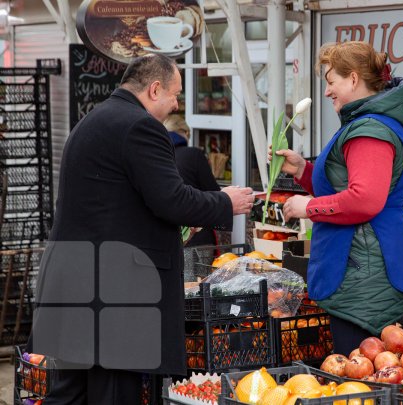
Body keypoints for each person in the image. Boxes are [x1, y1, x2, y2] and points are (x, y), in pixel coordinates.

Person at [31, 54, 254, 404]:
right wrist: (225, 202)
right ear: (154, 89)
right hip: (114, 296)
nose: (177, 104)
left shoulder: (95, 119)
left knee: (70, 395)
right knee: (114, 394)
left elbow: (117, 203)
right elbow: (172, 199)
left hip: (77, 286)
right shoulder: (140, 126)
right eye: (175, 95)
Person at [271, 41, 403, 355]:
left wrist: (308, 208)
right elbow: (343, 186)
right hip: (363, 266)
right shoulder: (365, 124)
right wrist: (302, 169)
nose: (327, 92)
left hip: (364, 275)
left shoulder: (370, 131)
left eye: (331, 82)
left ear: (353, 79)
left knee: (361, 378)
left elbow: (364, 200)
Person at [163, 114, 220, 246]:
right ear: (184, 132)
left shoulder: (156, 156)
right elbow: (214, 192)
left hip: (166, 234)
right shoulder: (193, 155)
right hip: (196, 233)